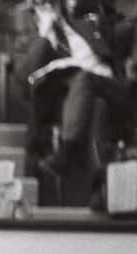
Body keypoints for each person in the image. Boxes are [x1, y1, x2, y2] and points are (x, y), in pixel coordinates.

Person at [11, 0, 136, 177]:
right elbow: (25, 77)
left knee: (84, 77)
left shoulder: (85, 20)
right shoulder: (27, 39)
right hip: (73, 102)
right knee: (96, 104)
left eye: (52, 3)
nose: (49, 8)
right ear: (33, 8)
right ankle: (98, 184)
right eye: (42, 5)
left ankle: (65, 151)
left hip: (114, 90)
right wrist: (44, 34)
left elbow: (124, 28)